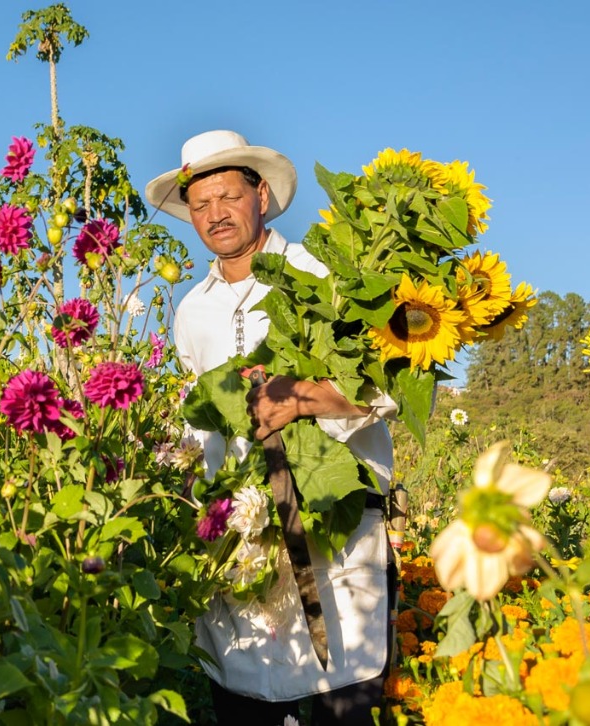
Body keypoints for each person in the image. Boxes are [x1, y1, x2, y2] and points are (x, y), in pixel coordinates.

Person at [144, 130, 398, 725]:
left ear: (260, 195)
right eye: (200, 205)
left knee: (346, 697)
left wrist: (302, 397)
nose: (215, 215)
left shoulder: (321, 273)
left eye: (228, 197)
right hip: (242, 539)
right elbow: (195, 426)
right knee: (244, 693)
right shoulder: (191, 309)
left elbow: (386, 382)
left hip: (334, 529)